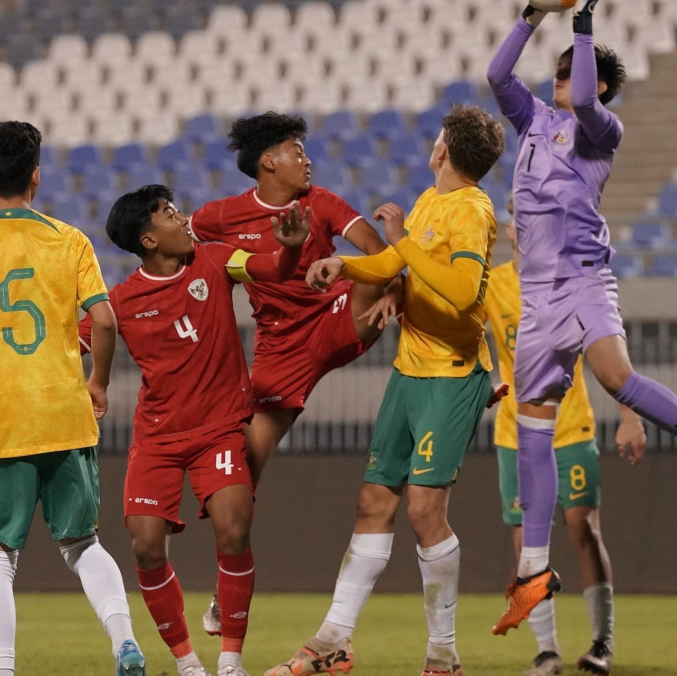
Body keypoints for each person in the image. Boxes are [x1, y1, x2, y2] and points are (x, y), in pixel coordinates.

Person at [486, 0, 677, 637]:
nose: (560, 82)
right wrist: (531, 15)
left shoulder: (600, 129)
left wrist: (584, 18)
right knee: (531, 427)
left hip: (584, 278)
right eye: (557, 72)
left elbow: (587, 100)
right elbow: (497, 78)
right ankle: (532, 570)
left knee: (616, 377)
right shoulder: (532, 119)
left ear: (599, 85)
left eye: (569, 73)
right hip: (535, 296)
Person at [267, 104, 505, 676]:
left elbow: (463, 289)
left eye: (439, 137)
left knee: (425, 511)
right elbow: (396, 262)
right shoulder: (430, 201)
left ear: (444, 149)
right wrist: (345, 268)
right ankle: (334, 640)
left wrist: (402, 239)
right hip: (410, 372)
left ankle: (444, 656)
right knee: (375, 501)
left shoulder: (472, 210)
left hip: (451, 375)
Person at [0, 121, 146, 676]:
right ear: (37, 177)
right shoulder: (69, 240)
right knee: (83, 544)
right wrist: (97, 381)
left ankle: (1, 671)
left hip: (0, 423)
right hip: (65, 417)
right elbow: (104, 320)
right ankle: (123, 641)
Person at [79, 184, 311, 676]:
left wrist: (290, 247)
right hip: (157, 440)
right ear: (148, 239)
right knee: (144, 545)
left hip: (220, 431)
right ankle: (188, 664)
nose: (183, 218)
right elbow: (62, 341)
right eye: (169, 213)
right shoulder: (119, 302)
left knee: (234, 528)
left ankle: (229, 662)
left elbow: (271, 270)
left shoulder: (215, 260)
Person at [189, 111, 402, 634]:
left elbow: (381, 254)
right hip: (279, 348)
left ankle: (457, 363)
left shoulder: (323, 202)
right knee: (241, 477)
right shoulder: (220, 216)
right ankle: (224, 594)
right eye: (296, 150)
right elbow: (180, 252)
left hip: (334, 316)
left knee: (400, 276)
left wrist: (395, 291)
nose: (307, 160)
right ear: (268, 161)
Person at [485, 196, 646, 675]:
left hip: (569, 425)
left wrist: (629, 414)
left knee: (583, 528)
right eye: (520, 221)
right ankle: (547, 650)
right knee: (523, 542)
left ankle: (602, 642)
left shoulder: (571, 283)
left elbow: (606, 349)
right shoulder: (492, 286)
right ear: (511, 232)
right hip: (515, 432)